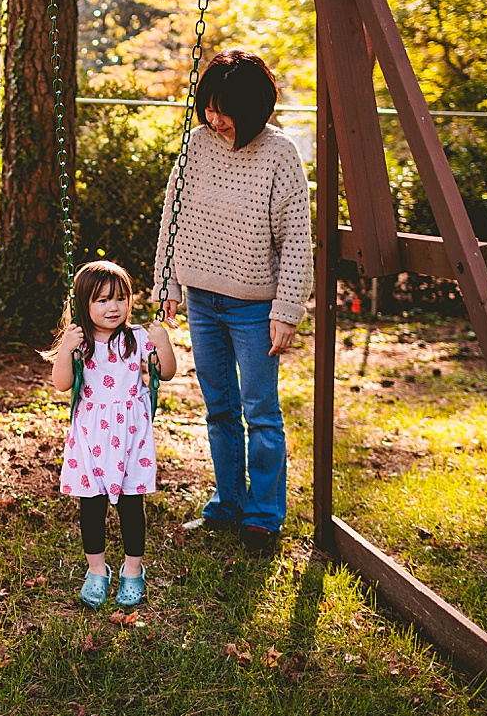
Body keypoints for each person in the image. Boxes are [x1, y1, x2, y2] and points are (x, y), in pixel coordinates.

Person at [153, 49, 313, 554]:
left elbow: (296, 238)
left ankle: (263, 517)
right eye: (208, 107)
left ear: (253, 108)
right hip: (202, 300)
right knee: (219, 409)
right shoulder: (197, 146)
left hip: (254, 308)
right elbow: (172, 217)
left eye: (225, 110)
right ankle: (227, 504)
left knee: (260, 412)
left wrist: (286, 311)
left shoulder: (279, 154)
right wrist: (167, 284)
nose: (213, 119)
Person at [48, 261, 177, 608]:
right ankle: (96, 571)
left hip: (131, 436)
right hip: (91, 437)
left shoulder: (136, 339)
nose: (113, 307)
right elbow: (62, 384)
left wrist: (163, 343)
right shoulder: (80, 343)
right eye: (102, 300)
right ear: (83, 305)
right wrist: (65, 348)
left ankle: (133, 571)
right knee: (92, 507)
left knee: (132, 506)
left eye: (120, 298)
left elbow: (166, 372)